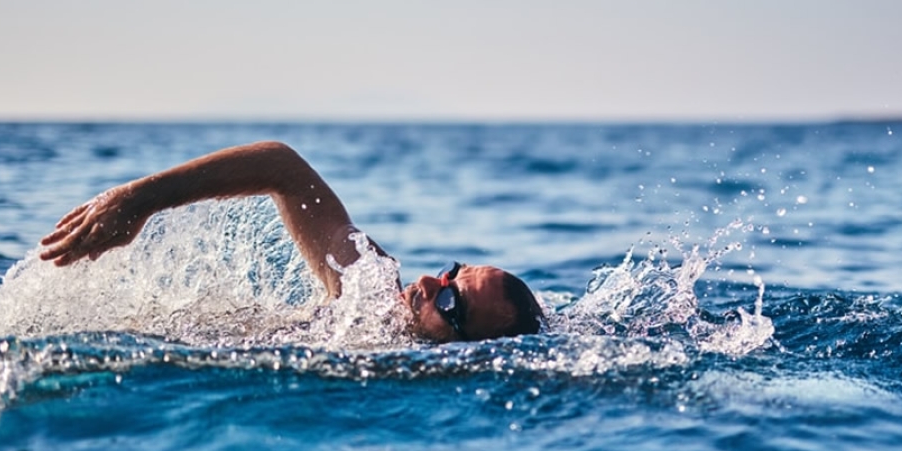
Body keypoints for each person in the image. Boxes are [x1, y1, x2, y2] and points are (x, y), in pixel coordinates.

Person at [37, 140, 544, 343]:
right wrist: (140, 200)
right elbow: (282, 167)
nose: (431, 282)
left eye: (451, 303)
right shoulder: (367, 284)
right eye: (452, 273)